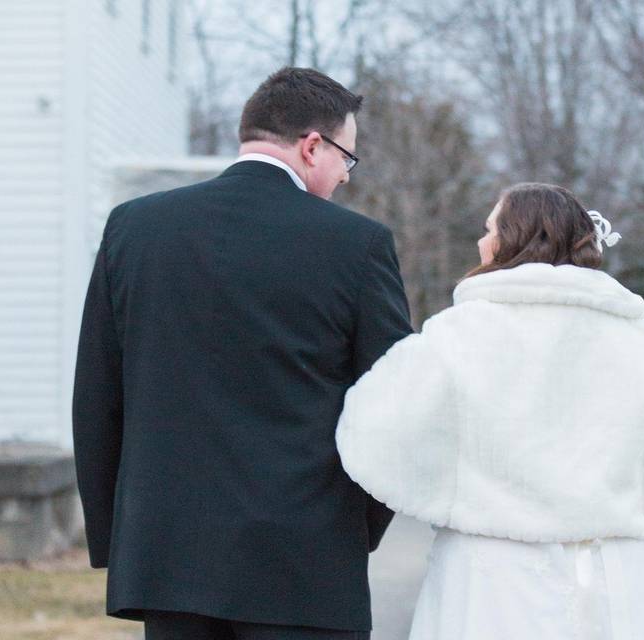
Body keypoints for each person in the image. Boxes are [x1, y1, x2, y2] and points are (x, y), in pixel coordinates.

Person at [72, 67, 413, 640]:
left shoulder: (135, 228)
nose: (344, 179)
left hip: (167, 555)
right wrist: (356, 530)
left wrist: (120, 537)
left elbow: (97, 396)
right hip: (305, 561)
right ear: (312, 146)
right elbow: (394, 404)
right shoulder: (357, 245)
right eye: (346, 161)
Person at [336, 183, 644, 640]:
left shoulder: (457, 336)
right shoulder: (638, 342)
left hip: (488, 582)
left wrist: (439, 493)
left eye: (489, 228)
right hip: (615, 581)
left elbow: (373, 433)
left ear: (513, 238)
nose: (481, 242)